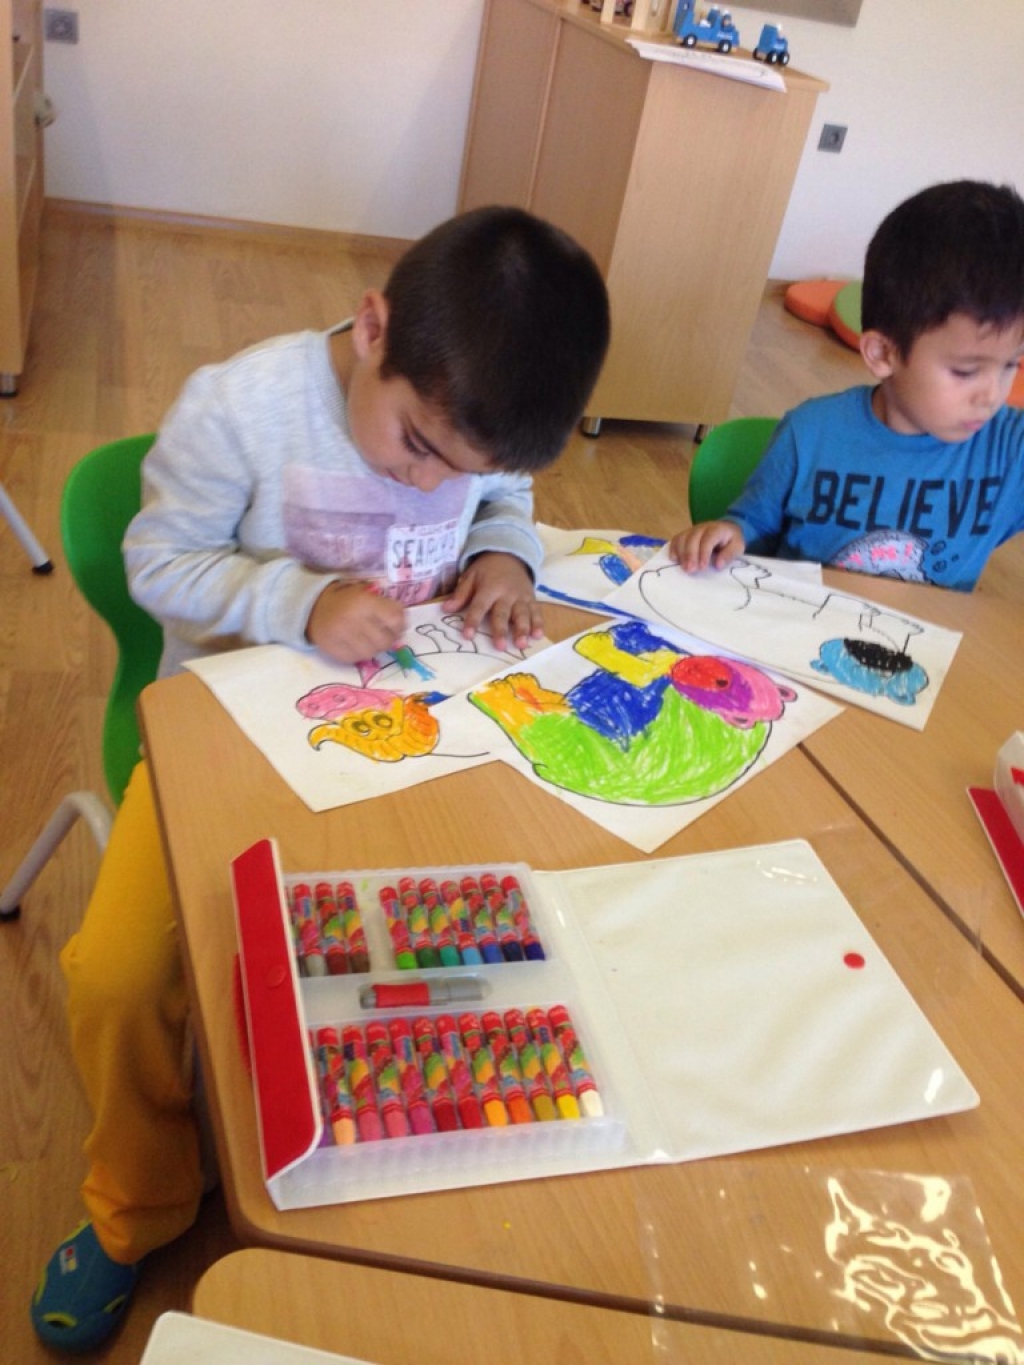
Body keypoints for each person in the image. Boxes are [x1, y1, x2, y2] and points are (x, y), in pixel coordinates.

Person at [30, 205, 610, 1353]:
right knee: (119, 976)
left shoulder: (470, 433)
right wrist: (298, 603)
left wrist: (503, 550)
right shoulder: (241, 406)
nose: (431, 481)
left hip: (407, 740)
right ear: (372, 325)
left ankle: (388, 1198)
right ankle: (137, 1200)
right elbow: (159, 560)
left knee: (488, 955)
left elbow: (505, 493)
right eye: (416, 447)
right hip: (222, 735)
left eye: (462, 470)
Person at [671, 180, 1024, 590]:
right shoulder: (809, 435)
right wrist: (730, 533)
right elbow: (753, 525)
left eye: (1011, 365)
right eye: (965, 371)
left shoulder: (1009, 448)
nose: (991, 395)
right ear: (883, 353)